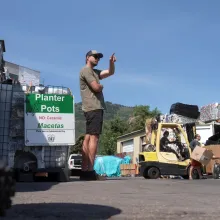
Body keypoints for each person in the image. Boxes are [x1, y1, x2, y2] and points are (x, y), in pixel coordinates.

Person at [79, 50, 116, 181]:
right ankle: (90, 170)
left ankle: (85, 170)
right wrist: (101, 86)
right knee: (94, 137)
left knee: (88, 137)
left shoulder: (94, 72)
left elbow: (110, 72)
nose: (97, 59)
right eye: (95, 57)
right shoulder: (86, 70)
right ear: (87, 57)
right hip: (94, 107)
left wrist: (111, 63)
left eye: (98, 57)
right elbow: (96, 87)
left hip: (90, 108)